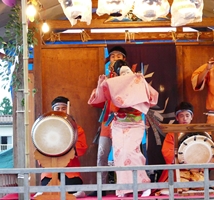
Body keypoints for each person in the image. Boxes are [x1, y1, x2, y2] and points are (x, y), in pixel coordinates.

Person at [88, 59, 159, 197]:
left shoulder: (137, 80)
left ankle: (143, 185)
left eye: (128, 71)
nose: (126, 74)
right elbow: (97, 99)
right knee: (119, 154)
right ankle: (125, 188)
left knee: (131, 152)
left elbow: (153, 97)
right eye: (123, 72)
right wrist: (100, 84)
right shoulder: (112, 84)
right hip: (118, 124)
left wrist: (141, 81)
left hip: (135, 123)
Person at [88, 45, 127, 197]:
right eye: (112, 57)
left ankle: (123, 187)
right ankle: (101, 187)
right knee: (102, 154)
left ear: (124, 60)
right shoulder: (105, 78)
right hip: (107, 121)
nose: (115, 59)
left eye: (119, 57)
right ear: (108, 60)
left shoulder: (130, 78)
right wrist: (100, 86)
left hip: (124, 121)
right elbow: (96, 102)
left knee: (122, 155)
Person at [37, 96, 88, 198]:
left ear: (68, 110)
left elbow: (81, 148)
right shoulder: (45, 127)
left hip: (70, 169)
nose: (60, 111)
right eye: (57, 109)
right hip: (51, 169)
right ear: (53, 110)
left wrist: (67, 135)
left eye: (63, 108)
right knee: (49, 190)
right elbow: (40, 147)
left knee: (72, 191)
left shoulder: (76, 129)